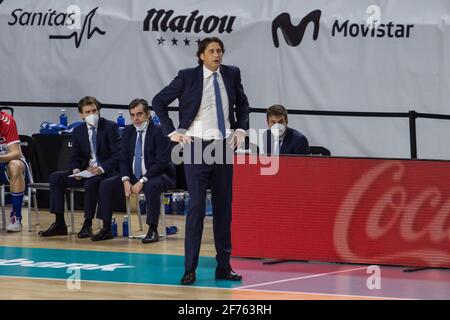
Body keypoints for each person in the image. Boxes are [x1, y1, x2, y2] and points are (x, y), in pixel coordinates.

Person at [152, 37, 249, 285]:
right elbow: (158, 102)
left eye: (220, 51)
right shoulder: (187, 76)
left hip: (223, 146)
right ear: (201, 56)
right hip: (195, 145)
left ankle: (224, 267)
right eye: (212, 51)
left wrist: (240, 130)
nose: (217, 55)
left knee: (223, 209)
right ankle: (189, 269)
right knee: (195, 208)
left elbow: (243, 104)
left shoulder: (232, 73)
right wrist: (172, 131)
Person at [91, 98, 175, 242]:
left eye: (139, 114)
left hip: (159, 174)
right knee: (106, 184)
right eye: (132, 115)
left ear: (148, 114)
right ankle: (106, 229)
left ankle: (152, 229)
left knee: (151, 186)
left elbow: (162, 162)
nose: (136, 119)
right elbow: (122, 158)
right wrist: (125, 179)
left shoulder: (160, 131)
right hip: (134, 175)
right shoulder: (128, 131)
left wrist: (143, 180)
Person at [39, 96, 120, 238]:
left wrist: (101, 168)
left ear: (99, 111)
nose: (92, 114)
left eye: (94, 111)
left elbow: (117, 156)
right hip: (86, 171)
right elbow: (75, 157)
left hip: (105, 172)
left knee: (92, 182)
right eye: (87, 112)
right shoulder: (78, 131)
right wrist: (76, 170)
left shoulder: (110, 127)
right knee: (56, 178)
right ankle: (59, 223)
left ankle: (87, 223)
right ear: (81, 115)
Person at [0, 111, 29, 232]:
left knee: (15, 166)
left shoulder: (6, 120)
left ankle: (16, 218)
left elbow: (17, 153)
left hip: (8, 161)